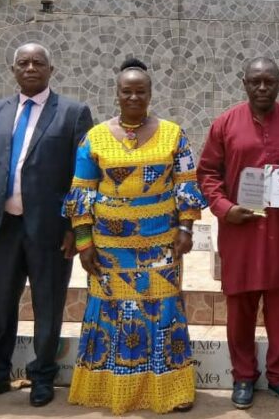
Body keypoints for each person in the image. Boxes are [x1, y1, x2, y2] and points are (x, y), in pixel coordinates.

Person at [62, 58, 207, 414]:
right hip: (109, 249)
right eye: (126, 91)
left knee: (164, 310)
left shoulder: (174, 134)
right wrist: (84, 243)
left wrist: (186, 228)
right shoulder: (95, 137)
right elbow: (81, 192)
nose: (133, 97)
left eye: (140, 91)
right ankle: (112, 389)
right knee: (111, 311)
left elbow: (186, 184)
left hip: (161, 244)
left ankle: (169, 391)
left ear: (150, 94)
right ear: (117, 93)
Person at [0, 43, 93, 408]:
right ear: (13, 70)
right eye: (23, 62)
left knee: (47, 305)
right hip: (1, 227)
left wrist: (75, 227)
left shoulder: (73, 113)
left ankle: (42, 376)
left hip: (51, 230)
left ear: (52, 69)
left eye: (38, 62)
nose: (31, 67)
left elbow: (83, 176)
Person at [197, 57, 279, 409]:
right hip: (242, 234)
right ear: (245, 84)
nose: (262, 87)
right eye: (256, 82)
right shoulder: (225, 124)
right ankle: (243, 376)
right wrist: (225, 208)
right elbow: (207, 173)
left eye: (269, 81)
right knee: (240, 310)